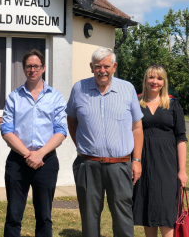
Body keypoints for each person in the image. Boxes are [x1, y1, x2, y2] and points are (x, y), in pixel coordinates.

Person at [66, 47, 144, 237]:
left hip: (120, 165)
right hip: (88, 165)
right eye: (98, 66)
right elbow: (72, 121)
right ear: (91, 67)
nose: (102, 70)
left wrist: (136, 160)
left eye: (106, 66)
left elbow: (137, 128)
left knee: (123, 216)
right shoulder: (79, 88)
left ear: (114, 66)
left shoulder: (127, 89)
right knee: (89, 216)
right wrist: (83, 147)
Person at [0, 49, 67, 237]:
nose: (32, 70)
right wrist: (27, 154)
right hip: (18, 161)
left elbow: (61, 131)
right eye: (29, 66)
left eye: (36, 66)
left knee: (44, 215)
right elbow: (6, 130)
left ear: (43, 68)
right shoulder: (14, 97)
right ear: (23, 69)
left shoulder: (56, 97)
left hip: (46, 161)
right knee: (13, 214)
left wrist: (40, 154)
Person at [133, 65, 187, 237]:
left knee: (166, 210)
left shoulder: (173, 105)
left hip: (167, 165)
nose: (154, 81)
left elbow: (181, 138)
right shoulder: (136, 104)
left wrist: (183, 170)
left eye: (159, 78)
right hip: (144, 163)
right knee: (147, 206)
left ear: (164, 82)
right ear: (145, 80)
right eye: (151, 77)